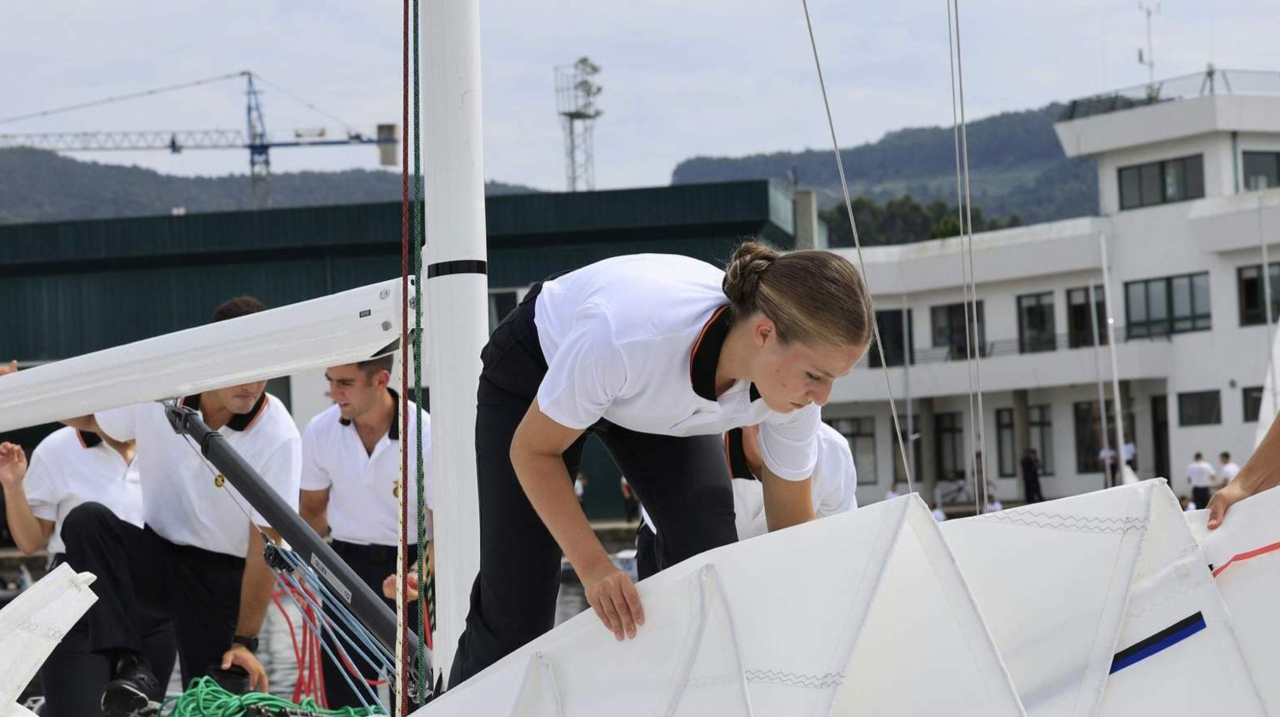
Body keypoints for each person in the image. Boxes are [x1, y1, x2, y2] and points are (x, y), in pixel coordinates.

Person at [449, 242, 871, 687]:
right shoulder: (627, 338)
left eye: (833, 380)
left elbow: (792, 537)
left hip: (643, 394)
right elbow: (532, 452)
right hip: (541, 364)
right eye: (815, 377)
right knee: (519, 614)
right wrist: (595, 569)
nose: (823, 398)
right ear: (764, 334)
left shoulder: (796, 396)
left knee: (707, 553)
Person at [59, 296, 302, 716]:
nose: (252, 383)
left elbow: (264, 548)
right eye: (241, 368)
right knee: (85, 522)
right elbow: (95, 421)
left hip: (219, 582)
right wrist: (29, 396)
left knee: (213, 703)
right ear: (211, 356)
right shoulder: (162, 389)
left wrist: (245, 642)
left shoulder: (278, 434)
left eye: (263, 367)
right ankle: (130, 663)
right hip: (158, 558)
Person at [1, 424, 172, 717]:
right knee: (86, 519)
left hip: (146, 603)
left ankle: (132, 659)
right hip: (79, 602)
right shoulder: (56, 449)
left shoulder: (169, 443)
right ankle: (130, 658)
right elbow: (31, 542)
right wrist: (13, 486)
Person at [299, 355, 431, 712]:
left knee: (418, 695)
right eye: (331, 381)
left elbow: (440, 525)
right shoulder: (320, 430)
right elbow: (312, 511)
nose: (334, 392)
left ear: (380, 379)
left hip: (412, 567)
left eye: (345, 383)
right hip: (346, 564)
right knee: (346, 695)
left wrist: (419, 574)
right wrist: (306, 570)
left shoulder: (424, 432)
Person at [634, 420, 859, 579]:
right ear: (745, 418)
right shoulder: (695, 457)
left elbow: (836, 550)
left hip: (781, 559)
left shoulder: (833, 455)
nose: (782, 440)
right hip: (666, 543)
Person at [1210, 414, 1280, 529]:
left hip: (1239, 498)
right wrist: (1246, 485)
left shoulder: (1226, 469)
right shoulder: (1234, 466)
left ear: (1224, 458)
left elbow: (1224, 482)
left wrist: (1246, 485)